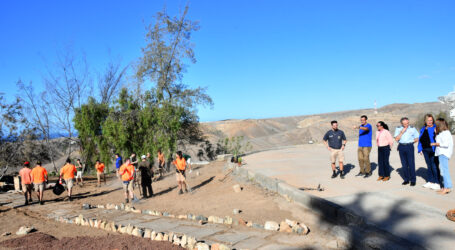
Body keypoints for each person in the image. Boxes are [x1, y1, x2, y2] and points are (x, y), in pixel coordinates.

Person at [394, 117, 420, 186]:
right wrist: (402, 132)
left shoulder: (412, 128)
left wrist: (411, 142)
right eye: (405, 124)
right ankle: (406, 179)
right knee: (404, 164)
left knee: (411, 164)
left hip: (409, 146)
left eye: (407, 123)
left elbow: (417, 138)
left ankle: (413, 180)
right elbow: (396, 139)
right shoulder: (398, 128)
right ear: (401, 123)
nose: (406, 125)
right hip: (401, 147)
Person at [418, 114, 440, 190]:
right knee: (429, 166)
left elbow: (439, 139)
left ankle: (437, 182)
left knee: (434, 166)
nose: (430, 122)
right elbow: (420, 139)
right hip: (425, 150)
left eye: (431, 120)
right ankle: (430, 181)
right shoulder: (423, 128)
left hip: (433, 150)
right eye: (428, 120)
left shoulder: (435, 128)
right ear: (425, 121)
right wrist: (420, 149)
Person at [431, 118, 453, 195]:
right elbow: (439, 140)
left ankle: (447, 188)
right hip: (441, 153)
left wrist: (435, 144)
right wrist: (436, 133)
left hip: (444, 153)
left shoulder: (446, 133)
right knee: (444, 171)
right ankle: (445, 187)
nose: (435, 126)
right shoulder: (441, 132)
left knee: (444, 171)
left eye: (436, 125)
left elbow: (445, 144)